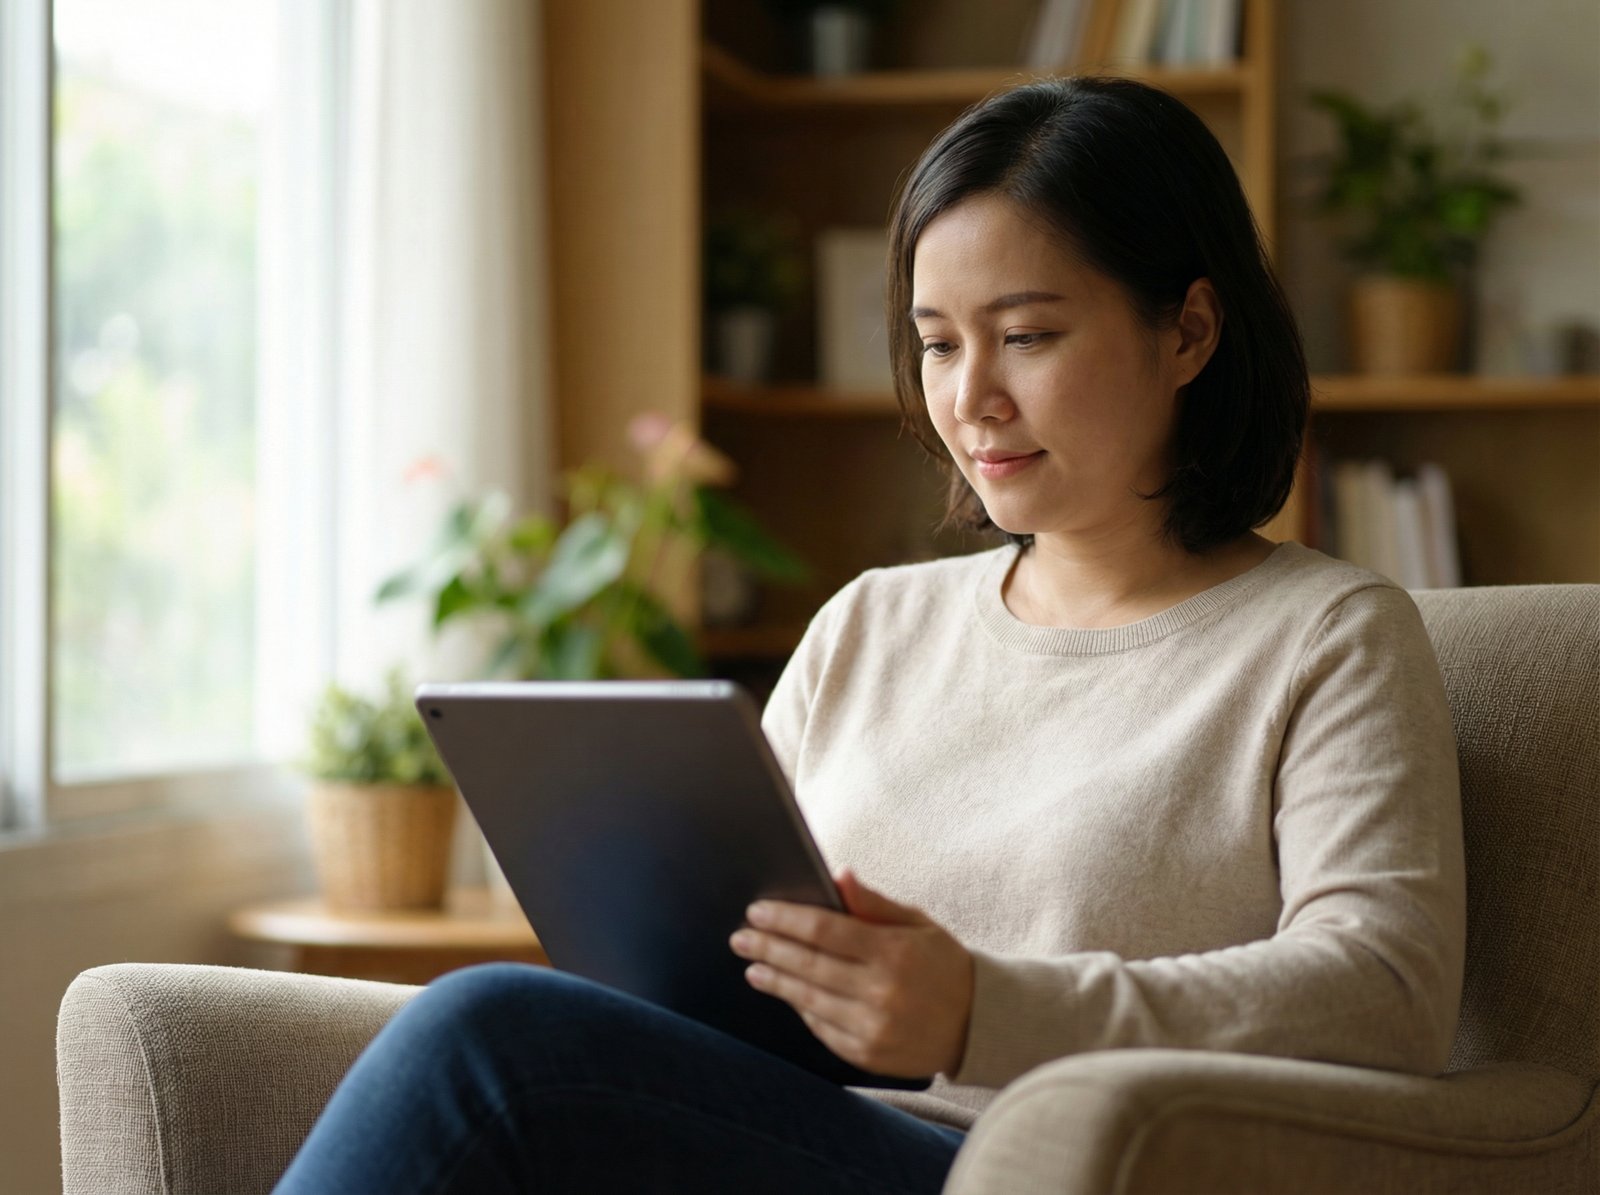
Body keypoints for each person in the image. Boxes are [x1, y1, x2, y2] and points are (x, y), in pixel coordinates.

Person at [274, 75, 1464, 1194]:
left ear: (1189, 333)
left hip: (1021, 1165)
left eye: (1029, 335)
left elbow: (1386, 989)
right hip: (783, 1124)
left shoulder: (1327, 638)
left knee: (489, 1034)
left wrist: (978, 1010)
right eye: (940, 342)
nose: (970, 398)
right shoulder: (870, 623)